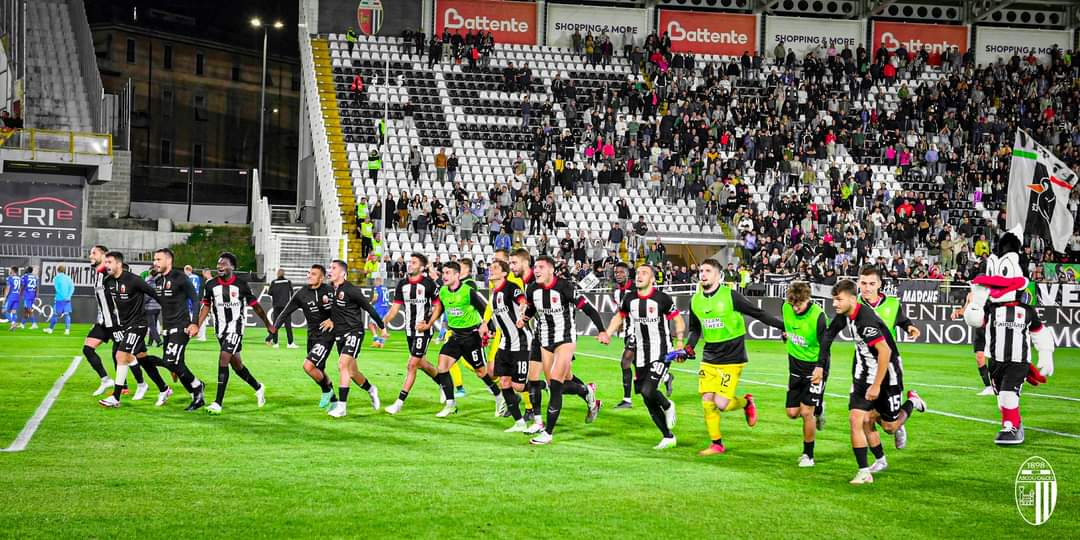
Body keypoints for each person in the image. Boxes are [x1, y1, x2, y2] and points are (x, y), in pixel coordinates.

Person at [675, 258, 785, 456]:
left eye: (708, 271)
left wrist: (784, 326)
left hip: (733, 356)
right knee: (707, 400)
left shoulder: (730, 295)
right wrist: (688, 348)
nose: (703, 274)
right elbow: (695, 329)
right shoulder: (695, 301)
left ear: (718, 275)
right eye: (701, 271)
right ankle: (716, 444)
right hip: (709, 356)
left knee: (722, 404)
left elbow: (758, 313)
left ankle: (746, 403)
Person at [823, 279, 926, 484]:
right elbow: (829, 334)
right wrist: (820, 365)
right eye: (834, 299)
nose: (834, 304)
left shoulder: (865, 320)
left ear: (852, 299)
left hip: (887, 375)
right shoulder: (846, 315)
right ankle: (868, 469)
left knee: (890, 427)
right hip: (862, 374)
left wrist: (876, 385)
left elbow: (884, 351)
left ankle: (912, 402)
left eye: (838, 300)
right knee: (858, 420)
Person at [520, 256, 608, 445]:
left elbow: (588, 308)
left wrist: (602, 330)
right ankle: (586, 390)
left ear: (551, 270)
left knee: (555, 385)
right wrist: (524, 319)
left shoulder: (565, 287)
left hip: (565, 339)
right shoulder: (532, 289)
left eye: (541, 267)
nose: (536, 270)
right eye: (535, 267)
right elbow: (531, 309)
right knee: (555, 383)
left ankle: (548, 433)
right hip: (545, 340)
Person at [603, 265, 684, 449]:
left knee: (648, 390)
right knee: (645, 395)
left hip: (661, 352)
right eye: (638, 273)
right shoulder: (629, 298)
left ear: (652, 279)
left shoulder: (662, 298)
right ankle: (668, 436)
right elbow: (619, 317)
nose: (639, 276)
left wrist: (679, 342)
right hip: (640, 353)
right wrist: (607, 333)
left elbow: (678, 319)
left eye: (644, 273)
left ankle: (667, 405)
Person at [196, 252, 276, 414]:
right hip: (220, 330)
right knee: (237, 365)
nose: (220, 266)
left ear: (232, 267)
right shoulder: (211, 285)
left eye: (224, 264)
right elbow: (206, 306)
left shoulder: (241, 285)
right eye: (219, 264)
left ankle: (218, 403)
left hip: (235, 328)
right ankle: (258, 387)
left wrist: (268, 324)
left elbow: (256, 306)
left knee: (223, 358)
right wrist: (197, 325)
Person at [420, 261, 502, 418]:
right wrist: (429, 322)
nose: (444, 276)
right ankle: (450, 404)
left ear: (457, 275)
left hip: (472, 337)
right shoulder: (443, 292)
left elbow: (484, 309)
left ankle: (498, 396)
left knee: (481, 372)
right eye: (443, 273)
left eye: (448, 273)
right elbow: (440, 309)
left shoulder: (468, 291)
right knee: (442, 367)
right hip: (455, 336)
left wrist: (488, 327)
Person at [856, 265, 920, 447]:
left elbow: (903, 321)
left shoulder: (892, 304)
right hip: (866, 366)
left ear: (879, 284)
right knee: (863, 414)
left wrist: (911, 328)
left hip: (889, 367)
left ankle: (912, 403)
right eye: (863, 283)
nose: (867, 288)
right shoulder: (854, 303)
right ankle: (878, 460)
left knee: (889, 427)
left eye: (871, 283)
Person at [97, 251, 169, 408]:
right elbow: (107, 306)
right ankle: (164, 387)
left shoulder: (134, 280)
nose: (106, 265)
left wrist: (171, 312)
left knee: (121, 355)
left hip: (138, 325)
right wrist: (114, 327)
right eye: (105, 262)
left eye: (109, 262)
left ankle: (116, 397)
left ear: (119, 264)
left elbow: (155, 294)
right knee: (143, 359)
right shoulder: (108, 281)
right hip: (123, 326)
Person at [270, 264, 339, 409]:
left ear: (321, 277)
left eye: (314, 274)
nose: (309, 276)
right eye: (309, 273)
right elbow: (285, 313)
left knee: (308, 366)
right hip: (312, 336)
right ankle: (334, 402)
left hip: (327, 335)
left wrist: (333, 319)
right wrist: (273, 331)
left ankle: (326, 391)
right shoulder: (301, 294)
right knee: (319, 370)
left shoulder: (330, 290)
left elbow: (343, 308)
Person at [325, 259, 385, 418]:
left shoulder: (351, 290)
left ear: (342, 273)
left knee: (342, 365)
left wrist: (382, 326)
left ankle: (342, 407)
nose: (330, 270)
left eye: (333, 268)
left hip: (354, 332)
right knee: (352, 372)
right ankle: (371, 389)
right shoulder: (330, 290)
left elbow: (368, 307)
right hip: (339, 335)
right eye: (330, 267)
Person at [382, 253, 441, 415]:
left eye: (414, 262)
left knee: (412, 365)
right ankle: (444, 384)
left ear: (421, 268)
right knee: (422, 364)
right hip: (409, 331)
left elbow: (438, 306)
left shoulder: (428, 284)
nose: (410, 264)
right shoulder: (402, 284)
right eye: (410, 262)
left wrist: (428, 323)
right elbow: (395, 309)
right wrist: (383, 323)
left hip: (423, 330)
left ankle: (399, 403)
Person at [149, 248, 208, 410]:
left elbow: (195, 299)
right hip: (167, 329)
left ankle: (197, 386)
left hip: (182, 327)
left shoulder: (180, 277)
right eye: (155, 259)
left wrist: (194, 323)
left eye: (159, 259)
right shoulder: (159, 280)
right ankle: (196, 395)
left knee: (170, 362)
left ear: (169, 261)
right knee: (176, 364)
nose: (155, 262)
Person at [781, 282, 829, 467]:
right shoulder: (787, 308)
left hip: (815, 368)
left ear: (807, 299)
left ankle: (808, 455)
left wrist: (820, 368)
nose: (795, 308)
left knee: (807, 412)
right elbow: (787, 326)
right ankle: (820, 407)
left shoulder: (818, 316)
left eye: (799, 304)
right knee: (792, 413)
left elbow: (825, 347)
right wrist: (784, 334)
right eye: (792, 304)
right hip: (795, 368)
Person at [484, 259, 532, 432]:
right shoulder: (493, 295)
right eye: (490, 268)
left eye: (495, 268)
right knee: (504, 382)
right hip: (505, 343)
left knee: (518, 386)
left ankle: (541, 386)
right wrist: (486, 328)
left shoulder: (511, 287)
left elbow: (522, 300)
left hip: (521, 342)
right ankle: (519, 422)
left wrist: (522, 312)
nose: (491, 270)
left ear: (504, 273)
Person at [952, 292, 993, 395]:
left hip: (993, 329)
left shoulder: (992, 293)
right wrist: (957, 312)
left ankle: (999, 385)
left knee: (994, 359)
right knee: (979, 358)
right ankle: (988, 387)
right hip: (980, 330)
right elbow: (966, 310)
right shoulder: (970, 295)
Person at [611, 262, 636, 409]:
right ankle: (666, 377)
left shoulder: (636, 288)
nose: (618, 275)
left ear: (627, 273)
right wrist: (619, 326)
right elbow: (621, 311)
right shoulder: (616, 292)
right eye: (616, 272)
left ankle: (627, 400)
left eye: (621, 272)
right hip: (627, 331)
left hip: (638, 331)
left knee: (625, 362)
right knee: (638, 364)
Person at [264, 269, 297, 348]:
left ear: (277, 274)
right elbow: (292, 293)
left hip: (276, 306)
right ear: (284, 274)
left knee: (275, 324)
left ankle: (275, 343)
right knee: (288, 325)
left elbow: (269, 293)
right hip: (286, 306)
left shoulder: (274, 282)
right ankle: (290, 343)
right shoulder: (288, 282)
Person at [45, 265, 74, 335]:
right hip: (67, 299)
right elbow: (72, 288)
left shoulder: (56, 278)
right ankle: (67, 330)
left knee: (55, 314)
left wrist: (63, 297)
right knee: (67, 314)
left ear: (57, 270)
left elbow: (57, 289)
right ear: (64, 270)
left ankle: (50, 329)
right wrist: (68, 296)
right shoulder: (68, 278)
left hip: (59, 299)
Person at [368, 276, 390, 347]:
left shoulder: (376, 288)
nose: (374, 283)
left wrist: (370, 302)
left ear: (378, 282)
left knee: (371, 324)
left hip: (379, 308)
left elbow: (375, 297)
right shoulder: (386, 288)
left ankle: (377, 340)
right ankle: (380, 342)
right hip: (385, 308)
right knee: (380, 324)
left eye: (375, 281)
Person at [143, 270, 162, 347]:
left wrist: (143, 303)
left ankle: (159, 341)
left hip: (150, 307)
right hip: (157, 307)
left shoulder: (148, 283)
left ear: (150, 274)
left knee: (152, 326)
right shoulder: (158, 283)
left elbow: (147, 296)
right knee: (153, 325)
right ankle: (150, 342)